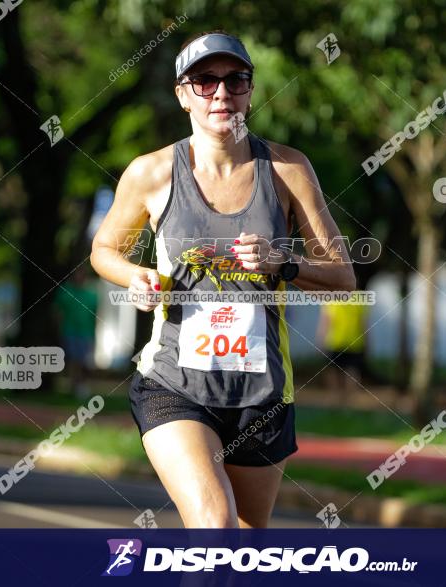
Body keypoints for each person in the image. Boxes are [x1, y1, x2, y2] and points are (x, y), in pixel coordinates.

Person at [91, 30, 355, 528]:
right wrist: (135, 275)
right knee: (214, 521)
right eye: (204, 81)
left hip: (261, 392)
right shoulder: (151, 173)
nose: (221, 94)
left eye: (235, 80)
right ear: (182, 94)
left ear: (251, 90)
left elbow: (343, 275)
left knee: (247, 543)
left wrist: (282, 262)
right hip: (174, 382)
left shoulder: (288, 169)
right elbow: (104, 249)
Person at [53, 266, 99, 399]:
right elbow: (57, 312)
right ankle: (75, 386)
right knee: (74, 361)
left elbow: (95, 315)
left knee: (85, 361)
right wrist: (58, 329)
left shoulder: (92, 295)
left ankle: (81, 385)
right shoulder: (65, 292)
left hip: (87, 333)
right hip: (69, 331)